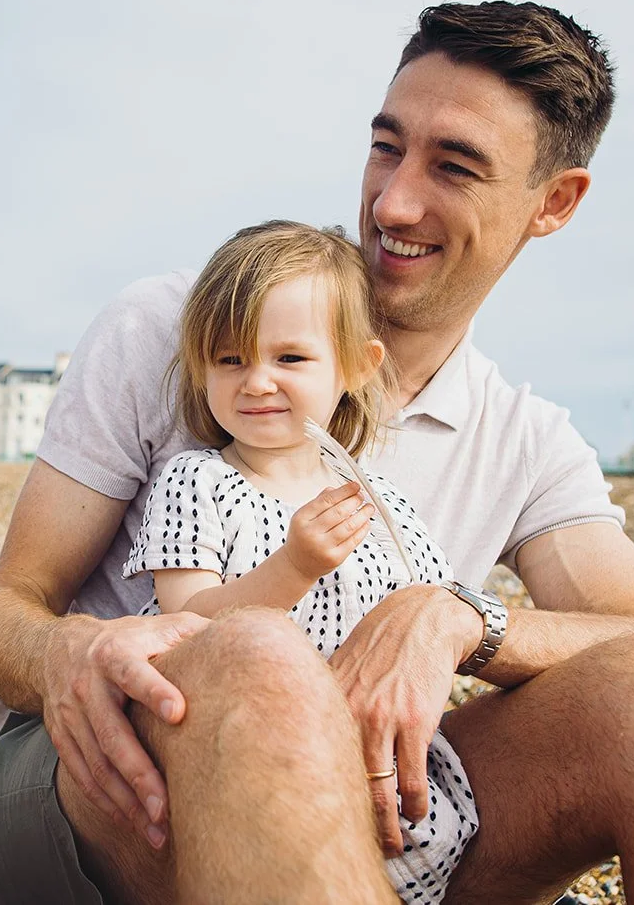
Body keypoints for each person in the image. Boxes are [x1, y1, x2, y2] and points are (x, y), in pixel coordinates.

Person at [0, 1, 634, 904]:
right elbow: (6, 608)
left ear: (554, 201)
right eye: (387, 147)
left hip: (384, 808)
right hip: (98, 784)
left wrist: (457, 620)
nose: (392, 203)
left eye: (455, 166)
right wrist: (65, 654)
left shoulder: (523, 438)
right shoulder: (173, 327)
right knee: (259, 656)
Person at [124, 220, 473, 904]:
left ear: (357, 366)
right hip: (241, 749)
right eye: (230, 360)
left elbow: (433, 607)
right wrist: (294, 566)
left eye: (289, 358)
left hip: (369, 753)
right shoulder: (197, 481)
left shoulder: (375, 500)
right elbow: (183, 623)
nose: (257, 382)